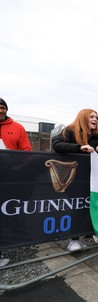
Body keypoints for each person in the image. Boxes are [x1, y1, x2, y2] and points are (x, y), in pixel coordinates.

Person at [52, 109, 98, 251]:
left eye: (96, 117)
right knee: (76, 207)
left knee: (91, 206)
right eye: (91, 117)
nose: (95, 119)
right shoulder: (70, 130)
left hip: (95, 178)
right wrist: (79, 147)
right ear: (83, 117)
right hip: (75, 178)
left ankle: (93, 232)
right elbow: (56, 144)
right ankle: (74, 239)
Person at [0, 97, 32, 267]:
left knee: (10, 206)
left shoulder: (17, 128)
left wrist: (18, 168)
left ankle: (13, 238)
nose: (0, 110)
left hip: (10, 176)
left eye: (2, 107)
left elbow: (26, 151)